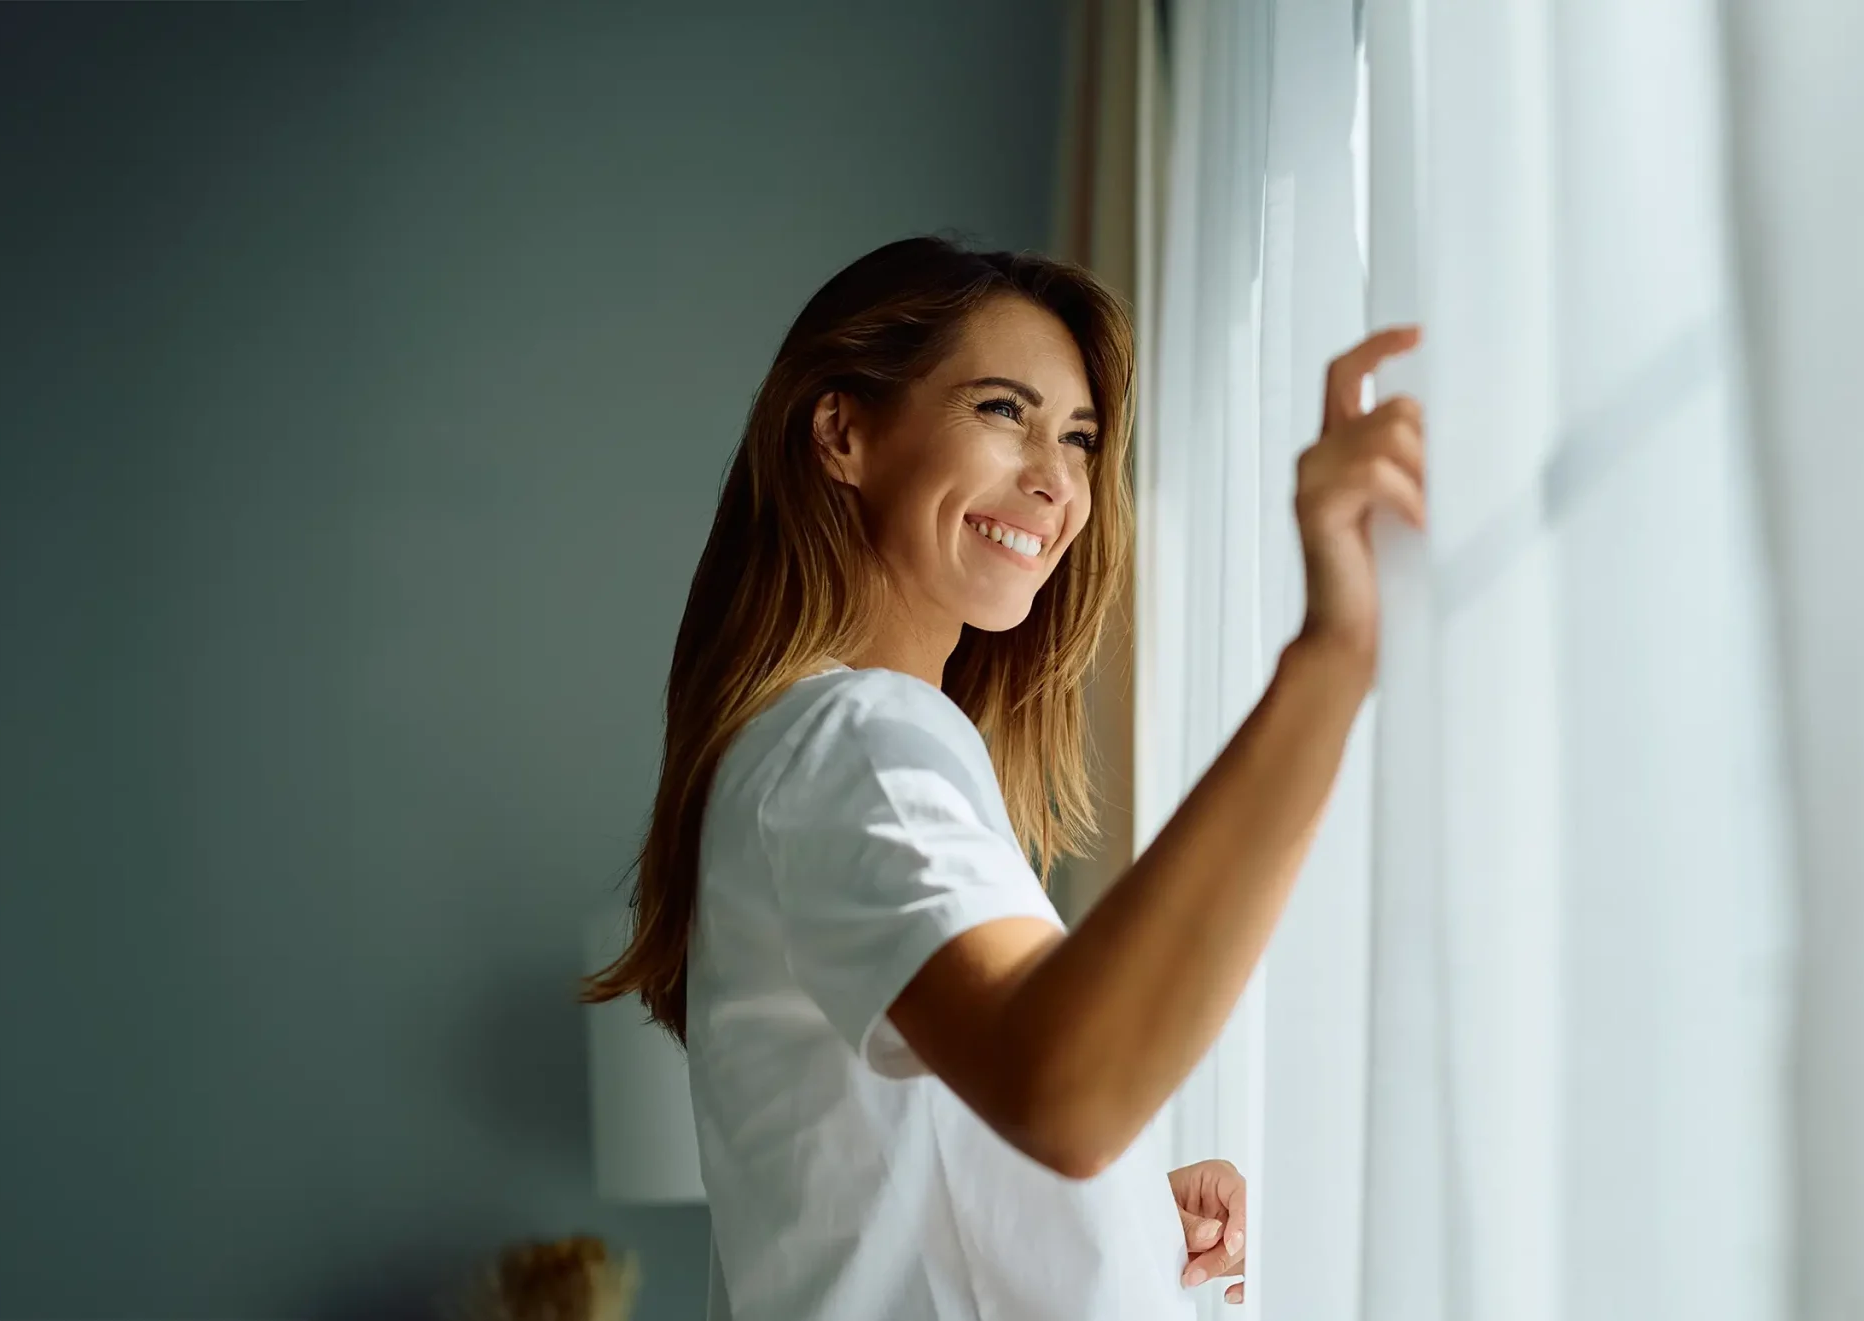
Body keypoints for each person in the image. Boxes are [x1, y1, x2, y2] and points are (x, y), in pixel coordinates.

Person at [582, 235, 1424, 1321]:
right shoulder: (855, 743)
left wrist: (1114, 1218)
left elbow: (907, 1176)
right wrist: (1331, 655)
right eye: (1001, 411)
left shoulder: (825, 743)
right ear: (842, 432)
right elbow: (1063, 1092)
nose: (1055, 480)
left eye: (1078, 438)